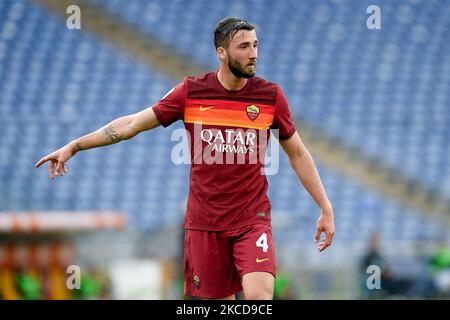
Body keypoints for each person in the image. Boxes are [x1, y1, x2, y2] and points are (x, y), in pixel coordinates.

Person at [35, 17, 335, 300]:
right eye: (244, 47)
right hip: (204, 224)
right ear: (221, 52)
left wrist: (325, 206)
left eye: (255, 45)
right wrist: (75, 145)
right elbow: (130, 125)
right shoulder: (192, 92)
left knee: (259, 296)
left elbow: (297, 152)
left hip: (251, 220)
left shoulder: (270, 96)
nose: (253, 53)